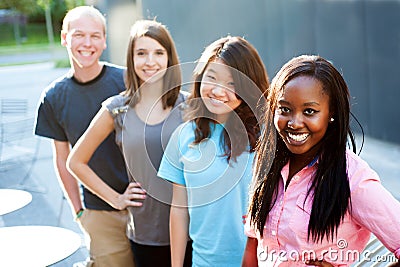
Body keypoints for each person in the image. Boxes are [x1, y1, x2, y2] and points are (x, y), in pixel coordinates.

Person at [243, 55, 400, 267]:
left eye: (309, 111)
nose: (294, 123)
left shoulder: (353, 179)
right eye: (285, 109)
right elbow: (254, 244)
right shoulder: (267, 163)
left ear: (331, 113)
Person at [67, 19, 192, 267]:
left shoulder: (189, 105)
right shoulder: (117, 109)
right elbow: (76, 161)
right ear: (131, 59)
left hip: (193, 230)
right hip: (146, 233)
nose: (150, 61)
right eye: (141, 53)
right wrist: (117, 199)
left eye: (158, 53)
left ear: (170, 58)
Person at [34, 6, 135, 266]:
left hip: (143, 204)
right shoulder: (53, 97)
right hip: (99, 213)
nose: (87, 43)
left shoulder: (126, 81)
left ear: (104, 41)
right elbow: (62, 158)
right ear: (64, 38)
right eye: (79, 35)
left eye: (94, 36)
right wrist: (79, 211)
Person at [157, 36, 270, 266]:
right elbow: (179, 210)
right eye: (212, 78)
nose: (219, 91)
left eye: (232, 83)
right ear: (200, 78)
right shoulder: (183, 136)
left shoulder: (268, 138)